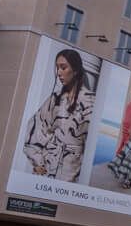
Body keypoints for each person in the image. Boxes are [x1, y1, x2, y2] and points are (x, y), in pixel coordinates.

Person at [22, 49, 93, 181]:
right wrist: (37, 161)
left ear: (76, 70)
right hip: (47, 165)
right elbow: (38, 125)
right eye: (57, 68)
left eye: (63, 67)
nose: (59, 72)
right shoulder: (55, 99)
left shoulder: (90, 102)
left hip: (71, 170)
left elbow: (90, 143)